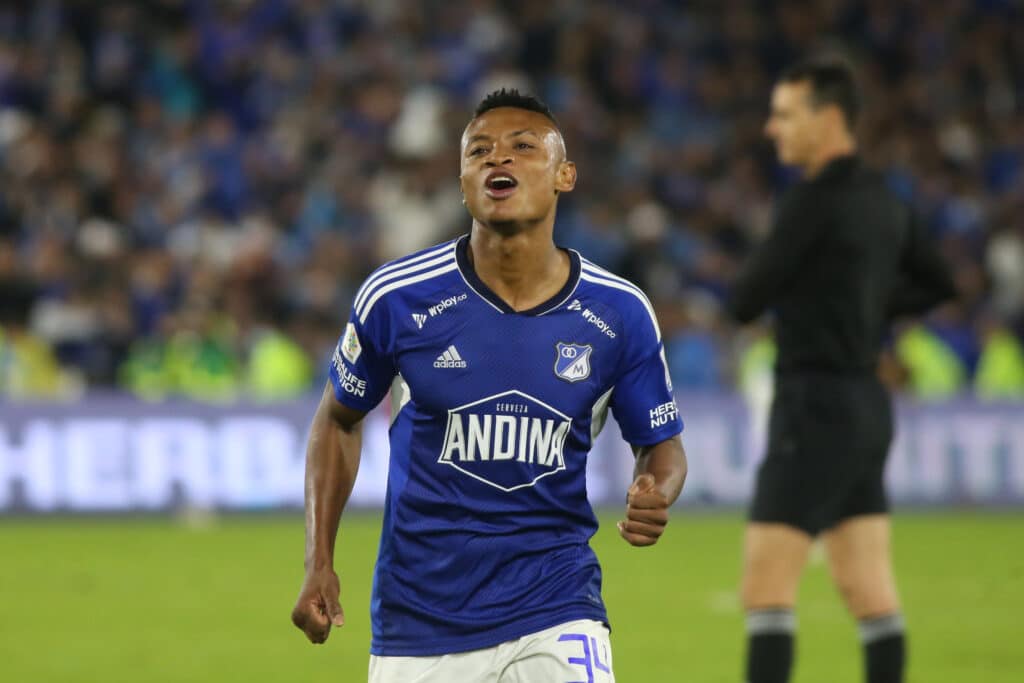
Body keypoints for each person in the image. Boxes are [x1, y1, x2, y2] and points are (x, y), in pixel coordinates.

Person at [290, 89, 687, 682]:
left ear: (565, 175)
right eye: (479, 151)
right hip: (419, 623)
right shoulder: (398, 298)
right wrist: (318, 560)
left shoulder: (619, 312)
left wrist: (656, 488)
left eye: (522, 147)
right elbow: (339, 418)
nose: (497, 159)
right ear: (462, 181)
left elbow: (660, 443)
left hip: (558, 604)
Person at [727, 60, 956, 683]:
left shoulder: (810, 201)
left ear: (828, 119)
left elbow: (746, 297)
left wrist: (808, 298)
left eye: (784, 115)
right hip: (866, 407)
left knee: (765, 589)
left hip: (811, 405)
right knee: (869, 590)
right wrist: (870, 305)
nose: (773, 129)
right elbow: (941, 281)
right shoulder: (886, 201)